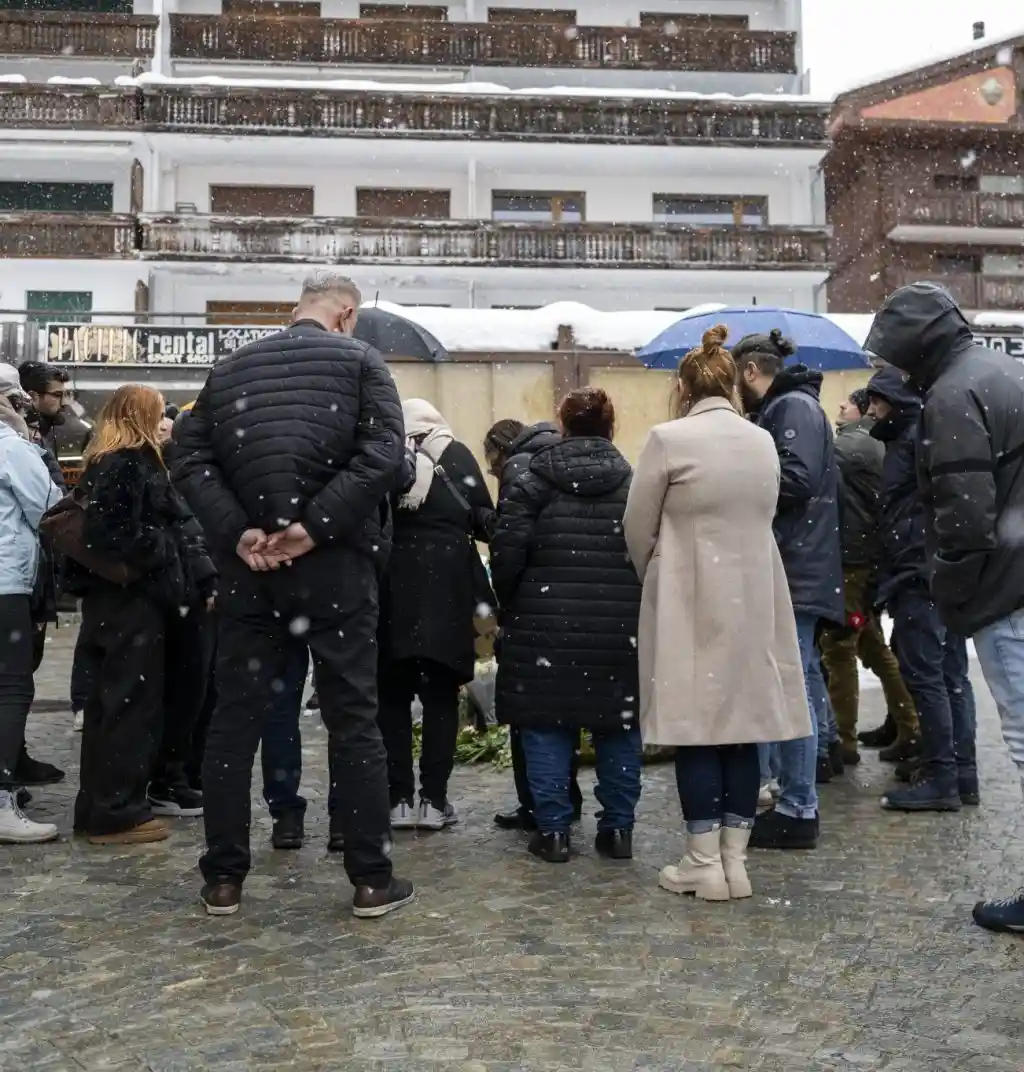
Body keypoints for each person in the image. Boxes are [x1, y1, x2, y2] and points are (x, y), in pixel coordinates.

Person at [173, 273, 413, 919]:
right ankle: (370, 878)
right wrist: (314, 528)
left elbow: (189, 459)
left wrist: (241, 531)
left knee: (234, 723)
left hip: (252, 571)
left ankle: (224, 878)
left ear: (299, 310)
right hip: (336, 569)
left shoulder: (232, 368)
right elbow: (383, 456)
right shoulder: (361, 361)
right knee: (353, 720)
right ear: (347, 313)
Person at [624, 325, 810, 899]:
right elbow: (768, 510)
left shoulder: (668, 439)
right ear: (733, 384)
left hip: (689, 594)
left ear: (682, 388)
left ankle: (702, 860)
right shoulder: (761, 441)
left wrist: (659, 571)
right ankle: (735, 862)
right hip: (754, 593)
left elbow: (636, 524)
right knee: (742, 728)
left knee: (697, 728)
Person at [864, 283, 1017, 929]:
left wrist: (951, 588)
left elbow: (964, 515)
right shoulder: (999, 373)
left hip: (1000, 588)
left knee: (1020, 731)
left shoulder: (954, 394)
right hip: (1010, 575)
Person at [490, 387, 642, 863]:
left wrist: (515, 605)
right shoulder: (633, 484)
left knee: (545, 725)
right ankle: (618, 830)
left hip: (544, 625)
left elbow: (506, 557)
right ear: (610, 427)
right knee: (619, 725)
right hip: (618, 627)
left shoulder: (530, 483)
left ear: (563, 426)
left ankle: (553, 831)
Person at [64, 384, 199, 846]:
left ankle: (100, 807)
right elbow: (112, 533)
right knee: (129, 706)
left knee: (111, 705)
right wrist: (163, 549)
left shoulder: (106, 458)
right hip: (132, 602)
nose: (162, 421)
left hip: (115, 600)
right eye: (156, 412)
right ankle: (116, 812)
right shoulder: (130, 461)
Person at [734, 328, 844, 850]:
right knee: (792, 683)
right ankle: (791, 793)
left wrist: (739, 480)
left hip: (794, 570)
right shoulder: (790, 407)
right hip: (798, 566)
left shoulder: (792, 408)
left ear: (751, 371)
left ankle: (798, 806)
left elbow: (795, 480)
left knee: (788, 689)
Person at [860, 366, 977, 814]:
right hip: (938, 572)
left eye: (876, 401)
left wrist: (905, 567)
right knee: (950, 676)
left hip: (918, 574)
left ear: (895, 401)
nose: (871, 410)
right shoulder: (925, 434)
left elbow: (903, 514)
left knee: (928, 676)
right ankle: (960, 773)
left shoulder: (908, 441)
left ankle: (942, 775)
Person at [377, 399, 495, 830]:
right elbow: (484, 521)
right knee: (441, 699)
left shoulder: (386, 455)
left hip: (392, 588)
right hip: (447, 588)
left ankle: (398, 800)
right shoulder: (457, 455)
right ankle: (433, 801)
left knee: (391, 699)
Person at [483, 418, 584, 832]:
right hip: (578, 604)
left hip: (534, 608)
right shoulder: (564, 457)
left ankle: (541, 810)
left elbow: (510, 547)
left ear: (498, 451)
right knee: (568, 712)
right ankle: (572, 802)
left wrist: (507, 606)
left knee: (531, 718)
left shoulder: (518, 470)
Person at [819, 388, 918, 766]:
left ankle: (843, 741)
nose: (839, 407)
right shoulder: (866, 442)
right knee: (872, 646)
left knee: (839, 646)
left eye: (847, 403)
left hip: (853, 563)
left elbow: (813, 461)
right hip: (862, 559)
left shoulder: (855, 444)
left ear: (860, 412)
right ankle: (911, 726)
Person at [0, 387, 62, 843]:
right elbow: (49, 508)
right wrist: (22, 436)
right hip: (5, 582)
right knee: (11, 687)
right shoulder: (11, 447)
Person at [148, 408, 216, 820]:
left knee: (197, 690)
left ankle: (183, 773)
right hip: (191, 593)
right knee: (190, 690)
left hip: (195, 591)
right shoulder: (186, 474)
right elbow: (190, 534)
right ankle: (172, 777)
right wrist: (207, 580)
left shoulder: (182, 470)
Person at [18, 362, 69, 463]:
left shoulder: (43, 430)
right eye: (57, 395)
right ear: (32, 397)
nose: (64, 403)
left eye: (66, 395)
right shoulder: (20, 437)